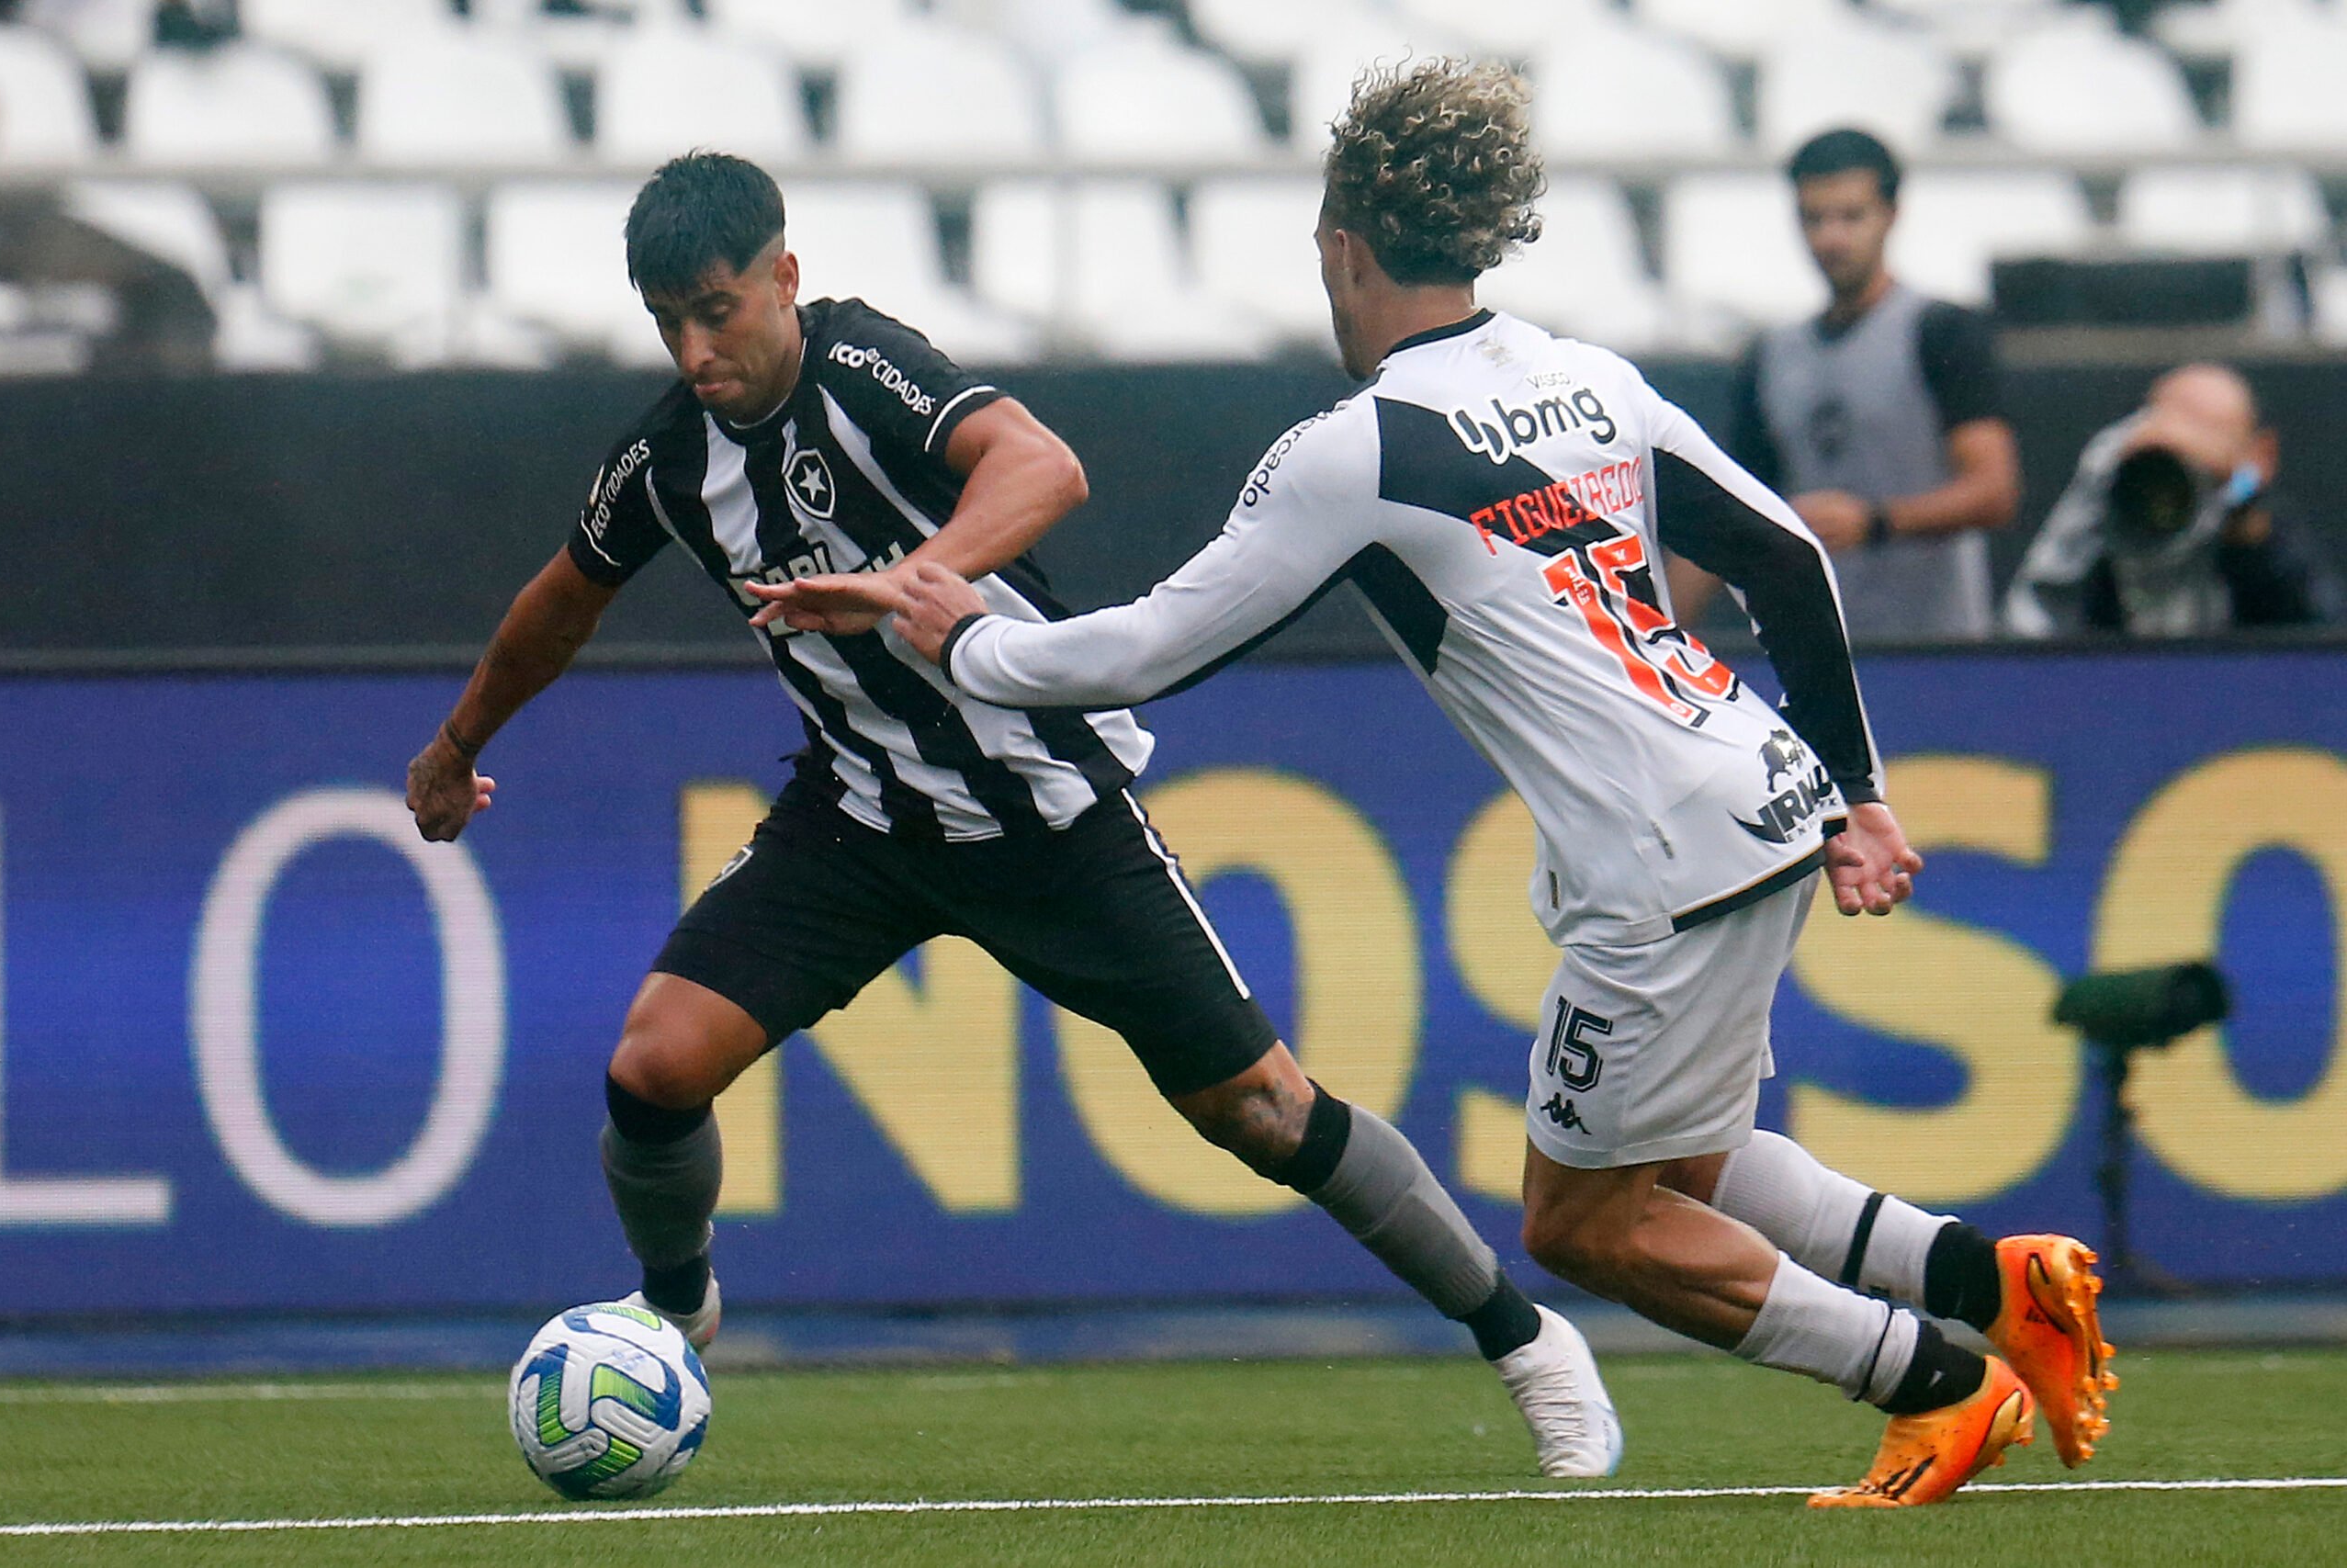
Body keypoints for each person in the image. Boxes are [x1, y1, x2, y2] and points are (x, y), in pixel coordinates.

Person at [758, 62, 2116, 1508]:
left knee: (1583, 1223)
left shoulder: (1359, 449)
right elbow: (1790, 554)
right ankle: (1994, 1278)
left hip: (1661, 867)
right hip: (1763, 797)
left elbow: (1146, 649)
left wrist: (960, 628)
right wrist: (1861, 793)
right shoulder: (1586, 376)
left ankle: (1935, 1381)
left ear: (1344, 245)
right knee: (1698, 1161)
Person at [402, 152, 1617, 1479]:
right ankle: (677, 1307)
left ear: (783, 279)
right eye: (668, 323)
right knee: (650, 1067)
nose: (697, 351)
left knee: (1264, 1109)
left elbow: (1043, 467)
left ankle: (1526, 1339)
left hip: (1047, 807)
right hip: (859, 818)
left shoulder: (861, 368)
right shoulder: (669, 458)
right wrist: (459, 744)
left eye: (717, 309)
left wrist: (905, 580)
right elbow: (563, 596)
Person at [1671, 128, 2020, 642]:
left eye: (1851, 216)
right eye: (1814, 218)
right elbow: (1731, 512)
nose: (1831, 238)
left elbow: (1994, 491)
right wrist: (1653, 633)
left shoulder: (1941, 331)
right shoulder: (1771, 356)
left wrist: (1876, 523)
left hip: (1937, 649)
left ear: (1891, 216)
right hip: (1818, 653)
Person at [2005, 362, 2339, 637]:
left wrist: (2242, 507)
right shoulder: (2107, 501)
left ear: (2260, 452)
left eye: (2210, 431)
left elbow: (2320, 643)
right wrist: (2106, 481)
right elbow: (2033, 622)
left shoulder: (2262, 523)